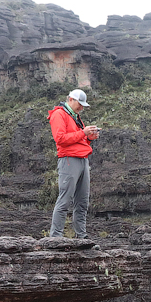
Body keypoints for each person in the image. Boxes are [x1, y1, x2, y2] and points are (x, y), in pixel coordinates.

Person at [48, 89, 100, 238]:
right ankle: (56, 237)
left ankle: (81, 236)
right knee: (65, 199)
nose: (81, 108)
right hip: (69, 160)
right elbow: (60, 139)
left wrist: (89, 138)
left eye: (83, 105)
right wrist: (83, 132)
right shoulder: (59, 114)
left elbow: (78, 140)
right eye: (80, 104)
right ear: (71, 99)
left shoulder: (75, 116)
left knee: (82, 201)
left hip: (83, 160)